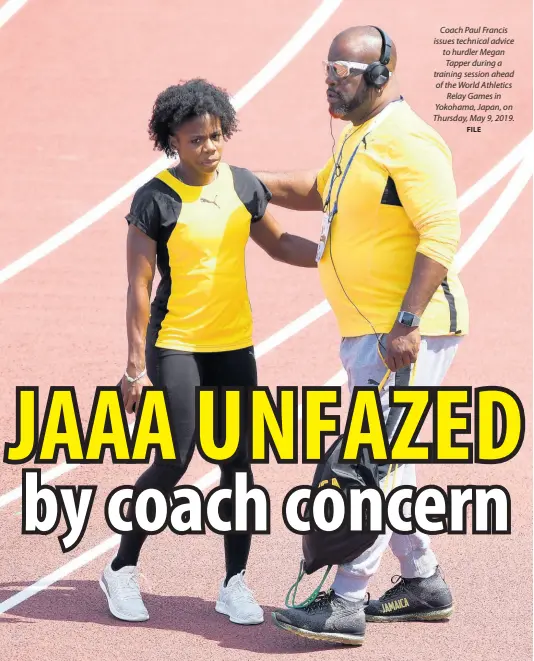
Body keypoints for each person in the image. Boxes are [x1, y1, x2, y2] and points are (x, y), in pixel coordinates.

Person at [254, 25, 469, 645]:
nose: (331, 80)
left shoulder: (410, 141)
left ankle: (346, 603)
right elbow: (319, 190)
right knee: (381, 462)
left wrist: (406, 323)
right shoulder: (358, 138)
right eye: (328, 68)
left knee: (368, 466)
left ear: (379, 76)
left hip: (407, 333)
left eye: (343, 70)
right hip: (370, 334)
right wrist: (251, 184)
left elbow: (440, 235)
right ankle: (424, 581)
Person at [99, 78, 318, 625]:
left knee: (238, 466)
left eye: (218, 136)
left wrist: (336, 259)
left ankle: (234, 582)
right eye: (197, 139)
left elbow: (281, 243)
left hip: (233, 346)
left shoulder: (243, 187)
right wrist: (132, 366)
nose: (210, 147)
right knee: (175, 457)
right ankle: (121, 568)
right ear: (172, 139)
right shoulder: (154, 198)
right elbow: (138, 286)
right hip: (175, 344)